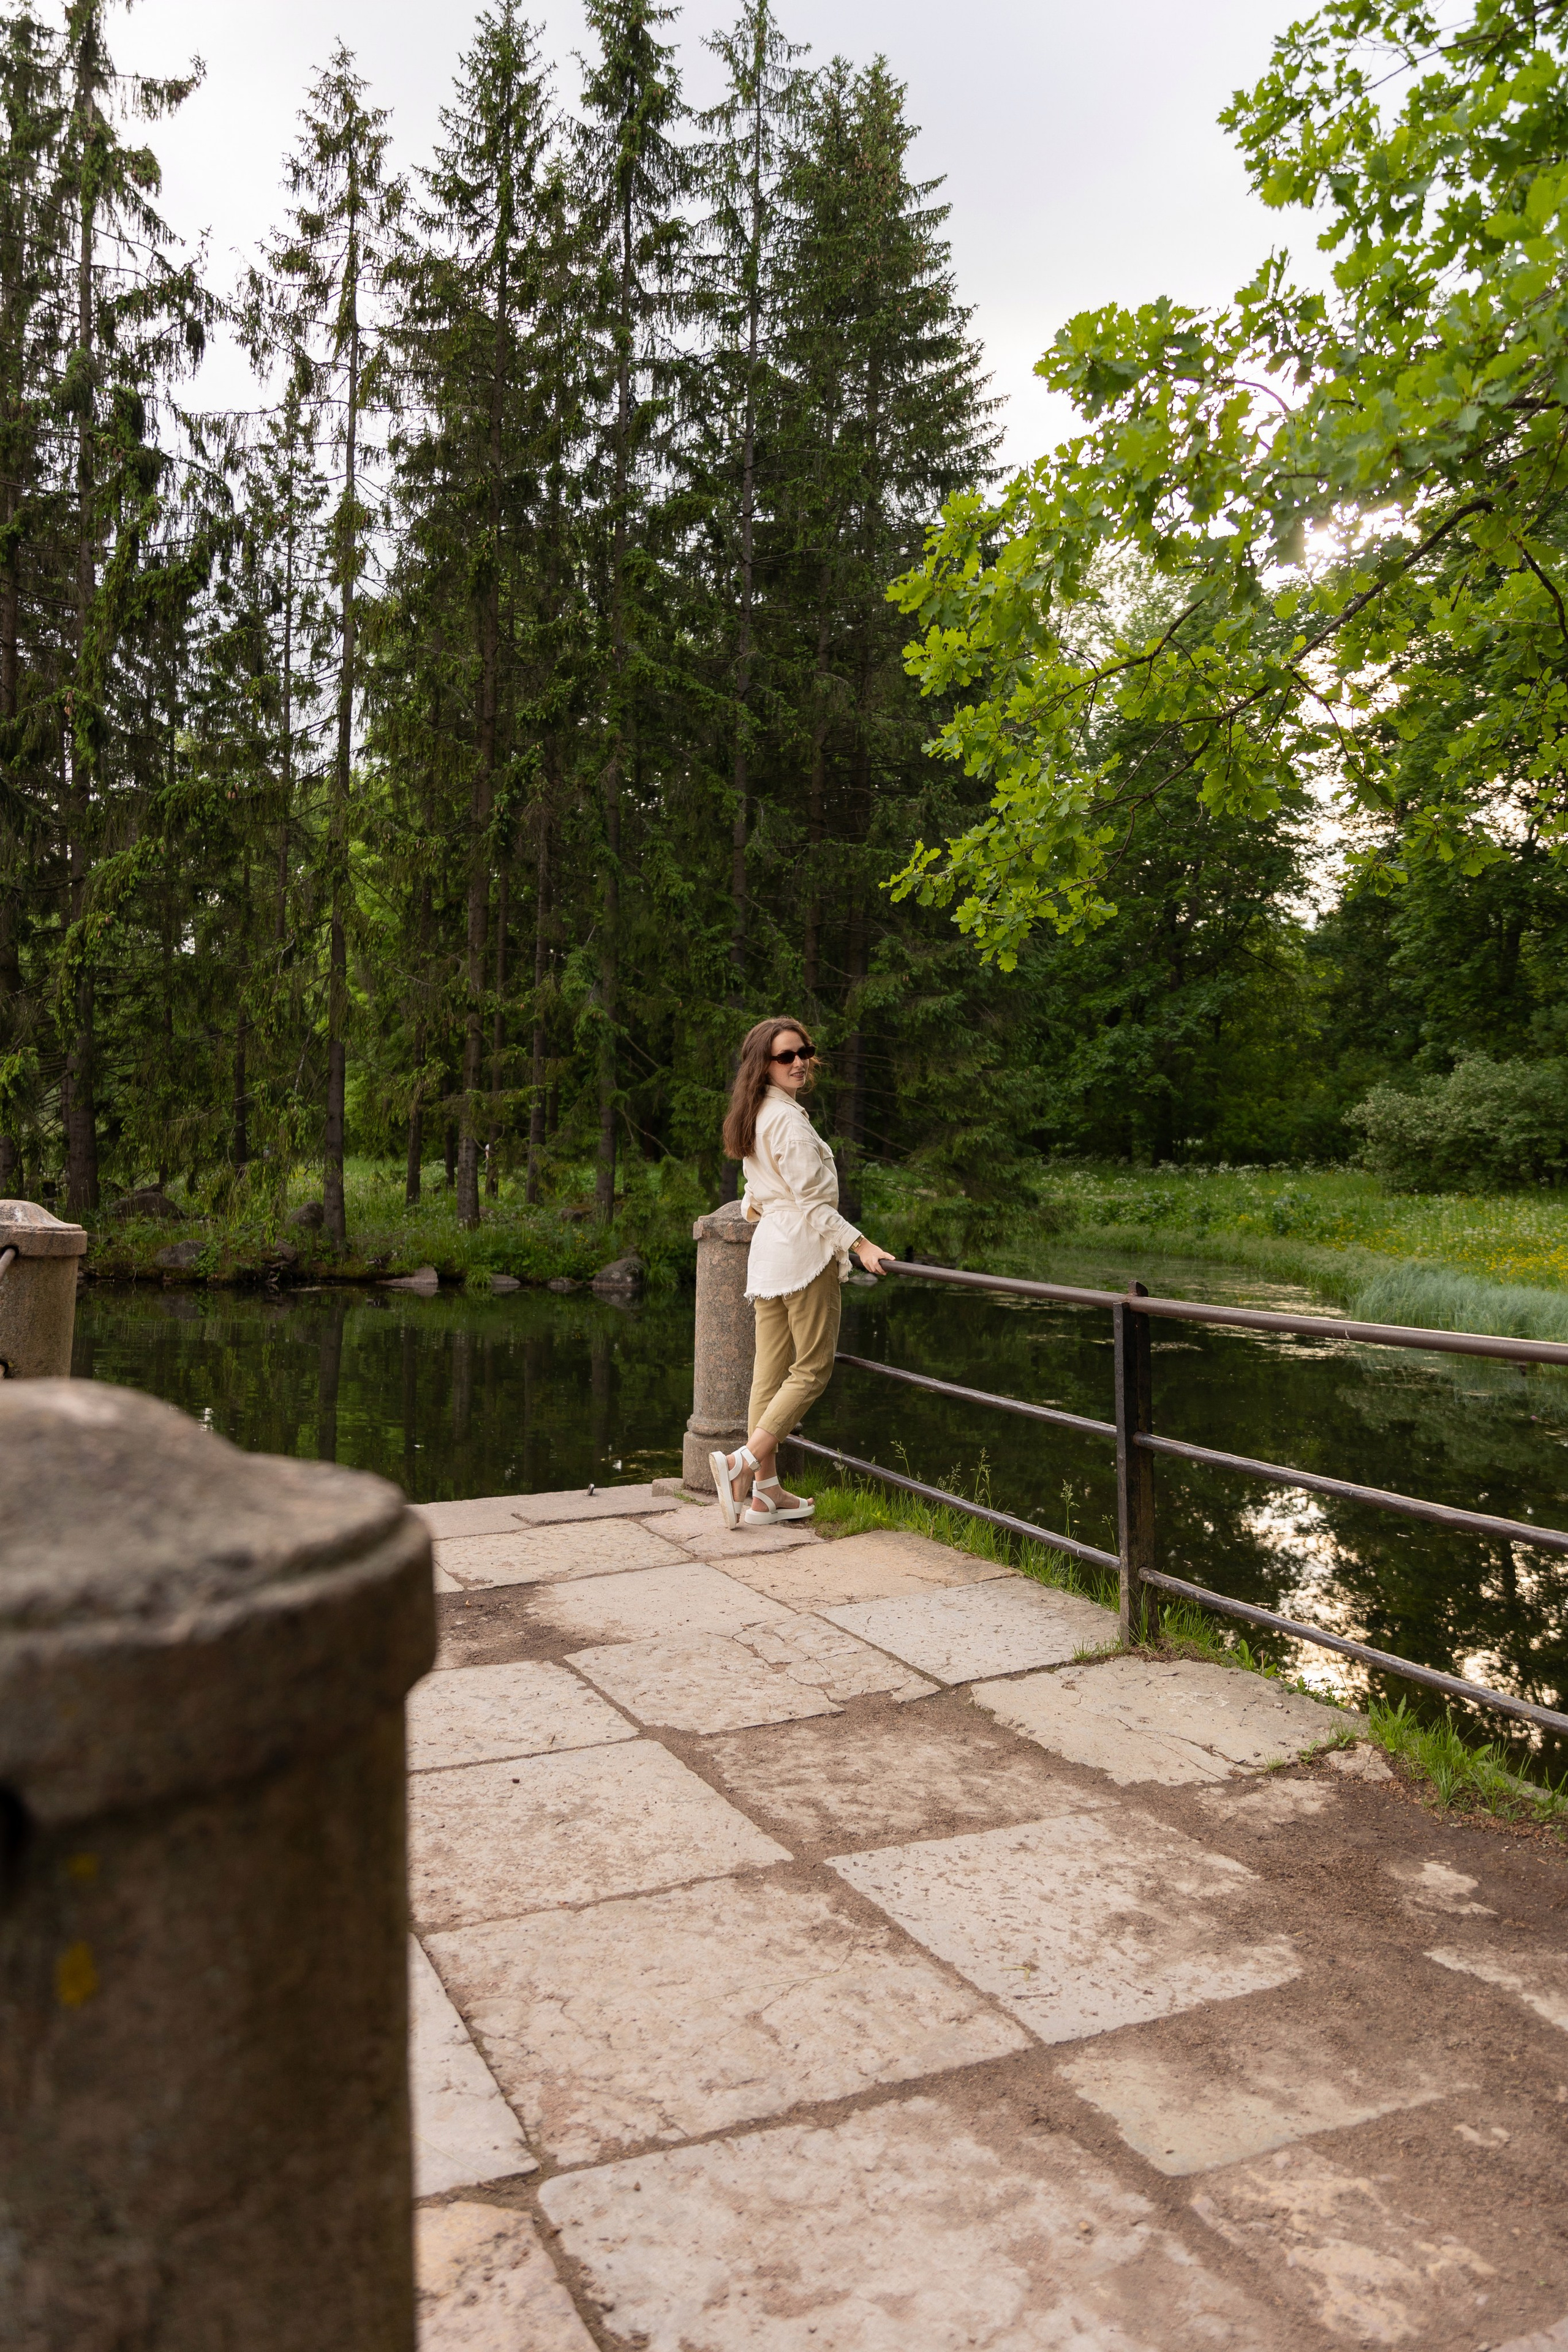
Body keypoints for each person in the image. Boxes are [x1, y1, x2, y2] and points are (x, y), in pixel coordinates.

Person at [709, 1016, 896, 1528]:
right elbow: (813, 1206)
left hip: (770, 1255)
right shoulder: (788, 1122)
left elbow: (752, 1197)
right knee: (812, 1369)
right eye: (785, 1056)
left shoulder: (756, 1114)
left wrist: (772, 1213)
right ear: (763, 1065)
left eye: (803, 1052)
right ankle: (739, 1465)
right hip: (803, 1256)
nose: (799, 1062)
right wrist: (861, 1244)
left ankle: (764, 1495)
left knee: (767, 1380)